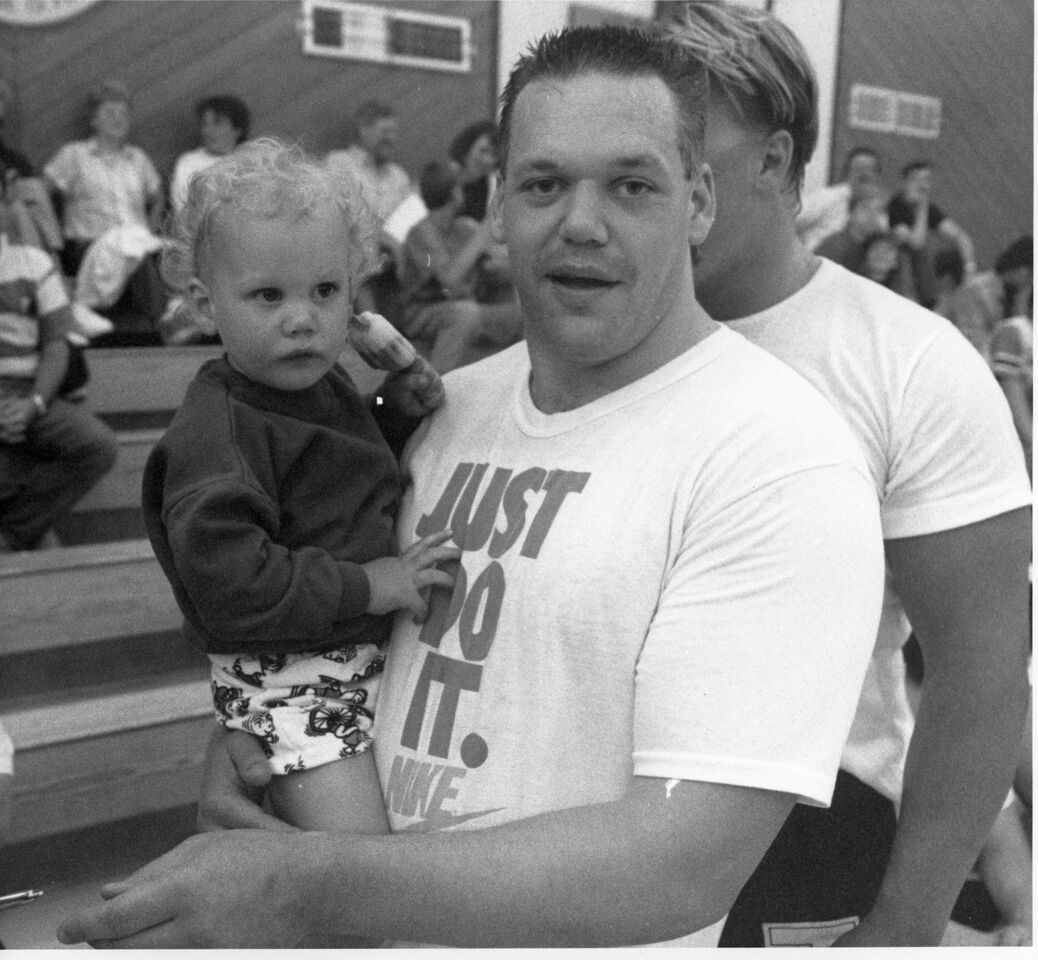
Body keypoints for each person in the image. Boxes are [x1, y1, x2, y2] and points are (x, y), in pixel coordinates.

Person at [58, 24, 885, 949]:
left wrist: (307, 885)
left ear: (697, 200)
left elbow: (683, 864)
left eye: (632, 184)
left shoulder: (781, 462)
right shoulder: (446, 408)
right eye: (543, 183)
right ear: (498, 205)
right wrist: (253, 745)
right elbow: (337, 628)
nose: (581, 221)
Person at [667, 1, 1031, 947]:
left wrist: (906, 925)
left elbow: (981, 671)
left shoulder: (908, 362)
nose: (661, 183)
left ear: (775, 161)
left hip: (817, 826)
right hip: (604, 822)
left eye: (689, 150)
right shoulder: (589, 346)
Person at [142, 140, 457, 845]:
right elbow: (233, 586)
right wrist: (369, 585)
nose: (302, 318)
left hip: (354, 657)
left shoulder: (322, 384)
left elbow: (341, 474)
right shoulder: (218, 434)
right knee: (358, 866)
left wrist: (395, 409)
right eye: (268, 295)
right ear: (206, 304)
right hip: (291, 681)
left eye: (326, 291)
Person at [0, 225, 117, 551]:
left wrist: (34, 404)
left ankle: (10, 536)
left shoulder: (33, 262)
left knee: (97, 444)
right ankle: (26, 537)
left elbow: (57, 344)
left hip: (28, 390)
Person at [43, 78, 166, 342]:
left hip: (135, 241)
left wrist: (150, 228)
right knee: (137, 255)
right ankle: (161, 326)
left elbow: (157, 196)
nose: (117, 119)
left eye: (123, 113)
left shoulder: (138, 158)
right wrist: (51, 239)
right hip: (90, 246)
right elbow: (42, 193)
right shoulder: (74, 155)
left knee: (143, 250)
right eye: (110, 112)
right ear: (93, 119)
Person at [398, 161, 520, 373]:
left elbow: (498, 260)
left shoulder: (464, 227)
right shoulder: (421, 235)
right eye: (460, 189)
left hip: (468, 303)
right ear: (454, 194)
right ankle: (440, 380)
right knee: (465, 314)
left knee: (524, 314)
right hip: (423, 313)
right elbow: (448, 278)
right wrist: (485, 228)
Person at [888, 159, 977, 307]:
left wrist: (969, 269)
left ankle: (954, 303)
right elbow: (916, 242)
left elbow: (961, 236)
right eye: (916, 179)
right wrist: (922, 206)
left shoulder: (927, 208)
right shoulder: (895, 205)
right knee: (916, 254)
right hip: (898, 268)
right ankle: (927, 303)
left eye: (926, 180)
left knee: (954, 256)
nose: (923, 185)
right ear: (904, 182)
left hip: (922, 268)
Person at [169, 94, 251, 215]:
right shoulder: (189, 162)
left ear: (237, 129)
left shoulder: (252, 160)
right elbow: (181, 207)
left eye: (217, 123)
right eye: (204, 124)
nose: (208, 130)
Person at [796, 145, 882, 251]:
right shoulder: (827, 197)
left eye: (871, 169)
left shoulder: (878, 210)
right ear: (847, 172)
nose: (864, 173)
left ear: (877, 175)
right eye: (859, 168)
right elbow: (789, 222)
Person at [448, 119, 500, 222]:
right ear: (467, 147)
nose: (486, 160)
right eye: (483, 150)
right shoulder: (443, 178)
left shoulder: (491, 188)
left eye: (494, 154)